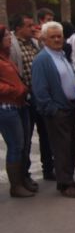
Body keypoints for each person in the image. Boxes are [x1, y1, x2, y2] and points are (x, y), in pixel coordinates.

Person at [31, 22, 75, 198]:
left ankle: (69, 178)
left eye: (59, 36)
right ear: (44, 40)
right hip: (57, 111)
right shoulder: (42, 60)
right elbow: (39, 90)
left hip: (70, 107)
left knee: (71, 147)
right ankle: (65, 183)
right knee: (61, 148)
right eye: (52, 37)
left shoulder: (61, 54)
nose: (57, 39)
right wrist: (53, 109)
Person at [9, 14, 55, 186]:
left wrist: (43, 42)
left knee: (46, 135)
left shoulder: (35, 43)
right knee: (25, 139)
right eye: (28, 26)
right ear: (19, 28)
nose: (33, 28)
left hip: (40, 96)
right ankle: (24, 175)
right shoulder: (13, 46)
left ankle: (48, 168)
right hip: (25, 98)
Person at [0, 24, 34, 198]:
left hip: (19, 105)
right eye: (6, 36)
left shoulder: (6, 57)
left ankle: (22, 179)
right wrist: (16, 90)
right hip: (7, 108)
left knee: (23, 145)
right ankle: (16, 185)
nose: (9, 38)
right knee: (16, 145)